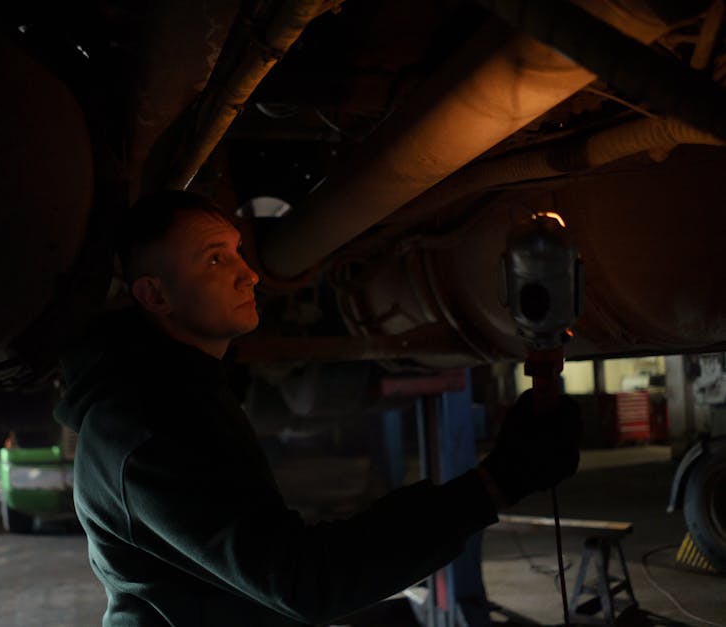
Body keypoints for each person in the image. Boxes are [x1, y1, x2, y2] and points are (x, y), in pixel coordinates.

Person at [54, 190, 581, 626]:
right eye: (216, 258)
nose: (249, 275)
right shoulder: (149, 424)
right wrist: (493, 484)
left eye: (239, 252)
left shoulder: (171, 396)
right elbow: (304, 581)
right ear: (156, 295)